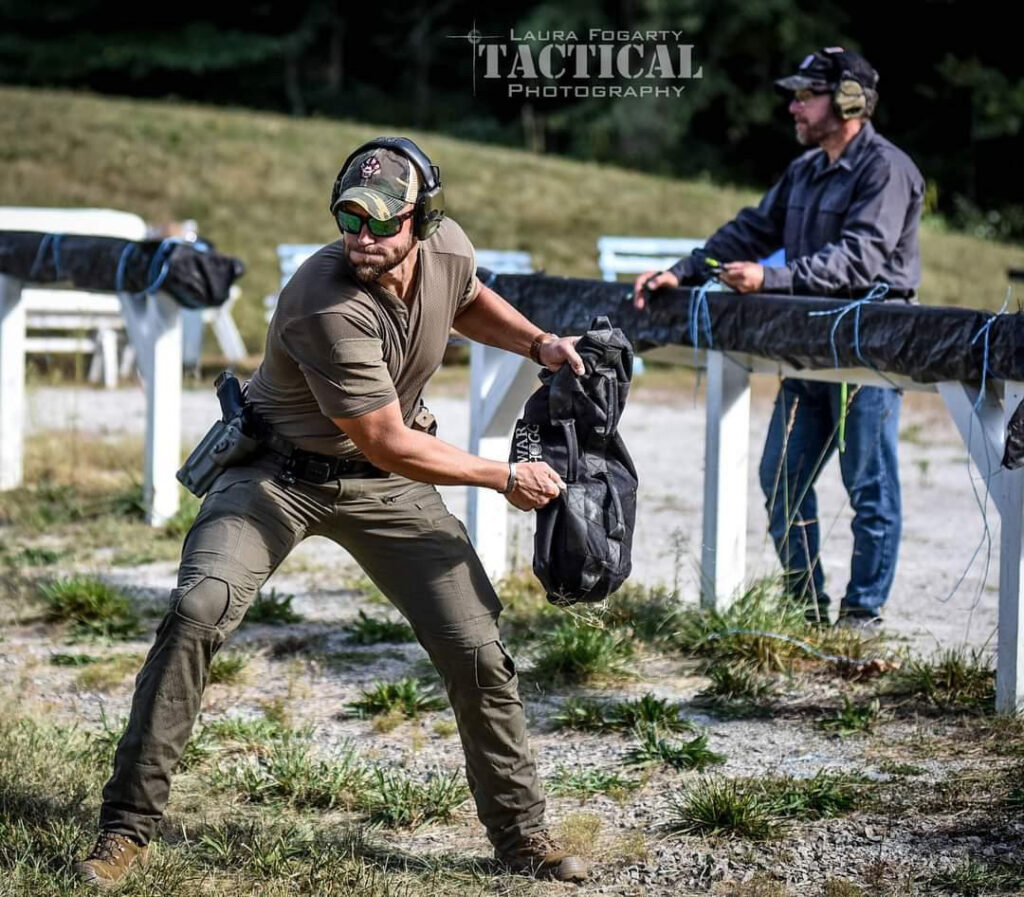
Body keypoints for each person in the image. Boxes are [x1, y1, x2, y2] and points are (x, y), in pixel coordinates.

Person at [75, 136, 589, 888]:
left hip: (385, 485)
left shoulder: (449, 248)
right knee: (197, 609)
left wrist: (538, 342)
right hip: (278, 473)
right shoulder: (325, 299)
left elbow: (468, 298)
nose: (363, 236)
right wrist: (501, 476)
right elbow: (387, 439)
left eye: (383, 222)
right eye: (350, 218)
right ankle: (126, 828)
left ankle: (521, 838)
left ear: (425, 219)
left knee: (478, 647)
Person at [634, 48, 924, 627]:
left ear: (847, 102)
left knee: (869, 487)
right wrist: (685, 270)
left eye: (804, 95)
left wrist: (772, 276)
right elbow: (752, 228)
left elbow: (859, 260)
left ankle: (862, 616)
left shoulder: (886, 170)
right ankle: (805, 609)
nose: (792, 106)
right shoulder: (806, 167)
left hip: (868, 352)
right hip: (807, 346)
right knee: (782, 481)